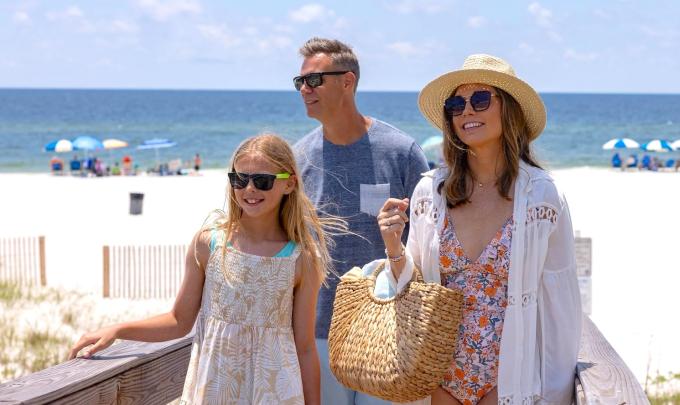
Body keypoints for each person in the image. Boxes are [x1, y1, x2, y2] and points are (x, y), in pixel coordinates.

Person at [69, 133, 346, 404]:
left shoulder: (301, 259)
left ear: (289, 184)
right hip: (215, 388)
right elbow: (179, 321)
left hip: (275, 393)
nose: (249, 189)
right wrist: (118, 330)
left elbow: (306, 348)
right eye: (239, 179)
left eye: (263, 181)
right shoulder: (209, 244)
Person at [376, 54, 582, 404]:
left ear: (509, 109)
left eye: (480, 99)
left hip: (511, 376)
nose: (467, 111)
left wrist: (554, 392)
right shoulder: (431, 192)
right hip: (439, 375)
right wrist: (393, 246)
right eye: (457, 104)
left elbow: (560, 304)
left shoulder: (541, 197)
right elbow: (414, 287)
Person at [292, 37, 429, 405]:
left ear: (347, 81)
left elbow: (429, 242)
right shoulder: (297, 159)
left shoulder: (402, 152)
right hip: (319, 330)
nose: (305, 89)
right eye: (300, 82)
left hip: (390, 328)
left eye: (314, 80)